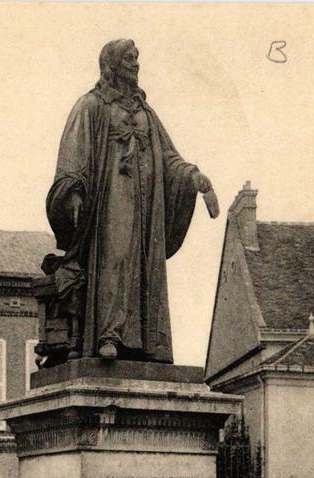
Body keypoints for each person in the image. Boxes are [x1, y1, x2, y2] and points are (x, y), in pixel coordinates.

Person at [42, 39, 216, 362]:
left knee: (144, 265)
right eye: (128, 58)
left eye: (137, 58)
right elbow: (73, 152)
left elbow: (168, 157)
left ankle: (148, 343)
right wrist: (74, 192)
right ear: (111, 64)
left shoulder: (146, 113)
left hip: (147, 205)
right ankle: (109, 334)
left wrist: (192, 177)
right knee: (115, 257)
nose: (135, 64)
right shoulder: (92, 106)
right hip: (112, 201)